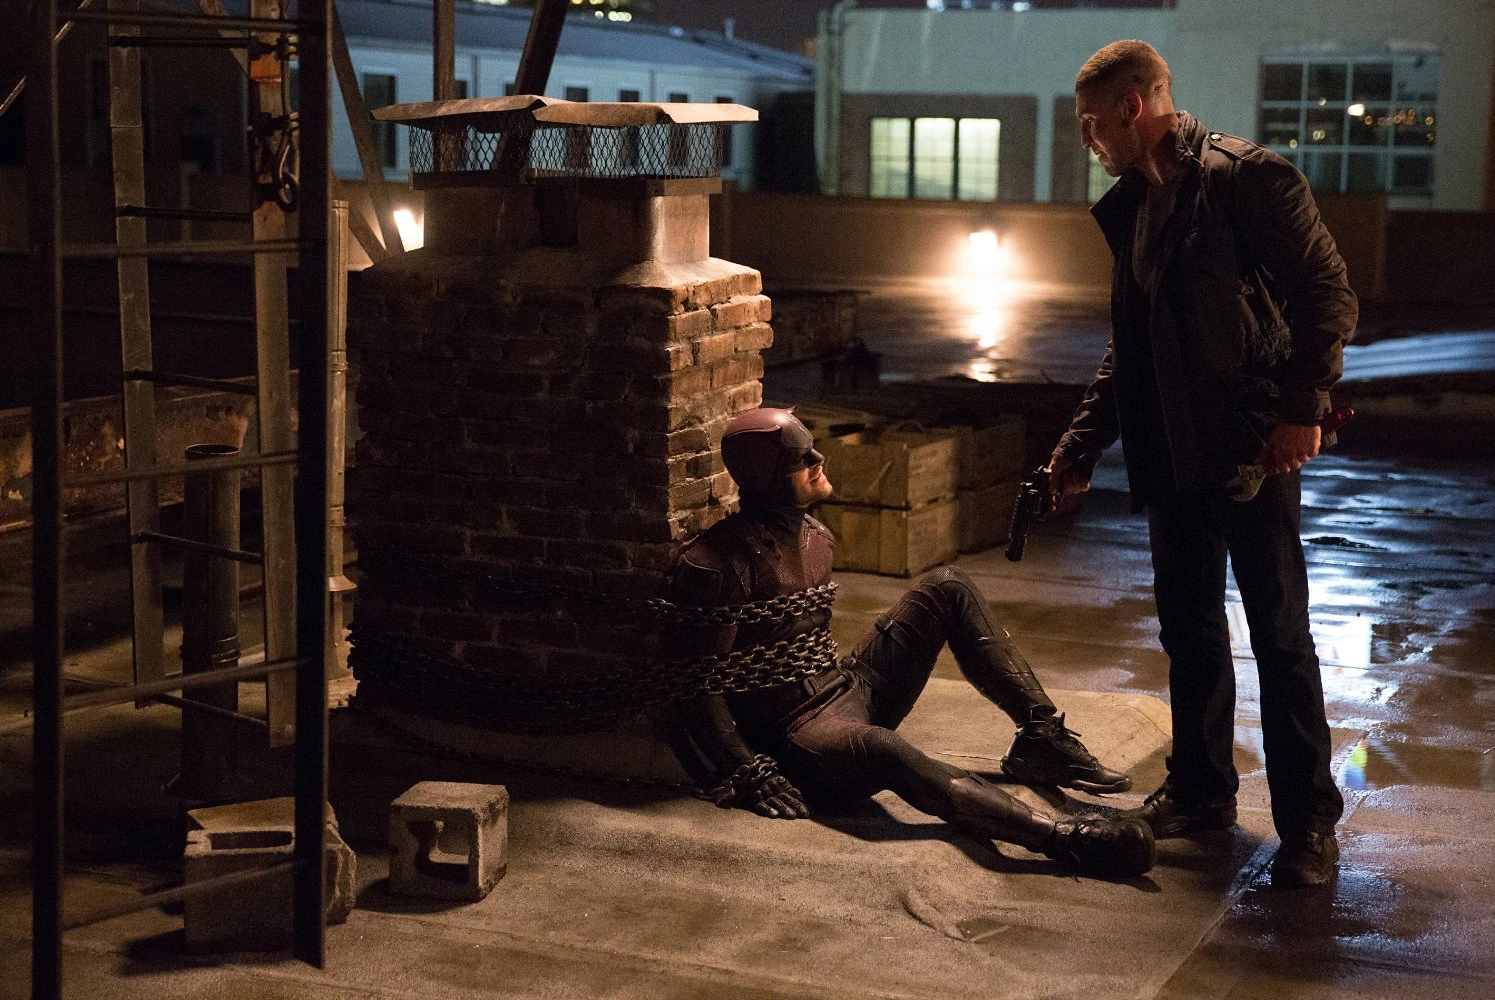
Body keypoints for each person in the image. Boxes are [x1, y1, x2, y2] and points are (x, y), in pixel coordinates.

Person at [1049, 41, 1357, 887]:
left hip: (1251, 448)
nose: (1085, 140)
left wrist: (1301, 410)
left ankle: (1307, 824)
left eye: (1090, 123)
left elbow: (1327, 292)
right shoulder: (1136, 206)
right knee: (1188, 631)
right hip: (1171, 453)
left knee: (1279, 636)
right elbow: (1132, 346)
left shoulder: (1246, 179)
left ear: (1131, 108)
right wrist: (1080, 443)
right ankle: (1199, 791)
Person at [665, 407, 1154, 879]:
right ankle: (1063, 839)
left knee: (947, 585)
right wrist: (746, 770)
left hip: (846, 691)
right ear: (766, 477)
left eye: (812, 449)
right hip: (799, 735)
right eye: (801, 458)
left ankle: (1040, 736)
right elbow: (693, 686)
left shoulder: (816, 538)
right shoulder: (718, 564)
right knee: (885, 747)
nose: (819, 460)